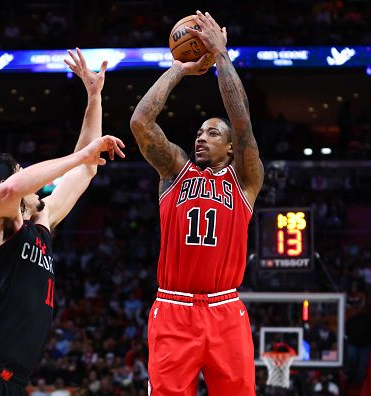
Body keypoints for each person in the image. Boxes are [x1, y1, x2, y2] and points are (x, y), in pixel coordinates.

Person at [0, 49, 125, 396]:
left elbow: (86, 168)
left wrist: (94, 98)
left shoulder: (42, 220)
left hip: (12, 384)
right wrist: (79, 154)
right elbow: (15, 186)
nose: (32, 179)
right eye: (21, 170)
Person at [130, 10, 264, 395]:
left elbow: (242, 123)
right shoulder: (175, 171)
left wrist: (222, 55)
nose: (201, 138)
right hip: (174, 309)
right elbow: (141, 123)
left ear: (229, 147)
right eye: (198, 132)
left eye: (211, 133)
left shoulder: (245, 179)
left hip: (225, 308)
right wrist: (179, 69)